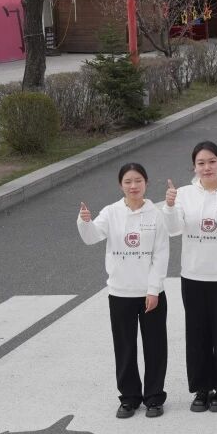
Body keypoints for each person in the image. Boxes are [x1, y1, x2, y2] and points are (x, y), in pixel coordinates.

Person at [77, 162, 170, 419]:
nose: (133, 186)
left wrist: (154, 290)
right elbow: (91, 237)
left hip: (150, 293)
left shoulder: (156, 214)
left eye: (138, 181)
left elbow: (161, 255)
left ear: (146, 183)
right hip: (120, 293)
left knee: (155, 348)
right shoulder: (111, 212)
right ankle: (129, 398)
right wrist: (84, 221)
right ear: (121, 185)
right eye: (128, 181)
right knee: (125, 347)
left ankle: (154, 397)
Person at [163, 141, 217, 414]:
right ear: (194, 167)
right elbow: (173, 229)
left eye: (212, 161)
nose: (207, 167)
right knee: (197, 334)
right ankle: (201, 388)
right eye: (201, 163)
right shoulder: (184, 194)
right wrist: (169, 206)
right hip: (193, 275)